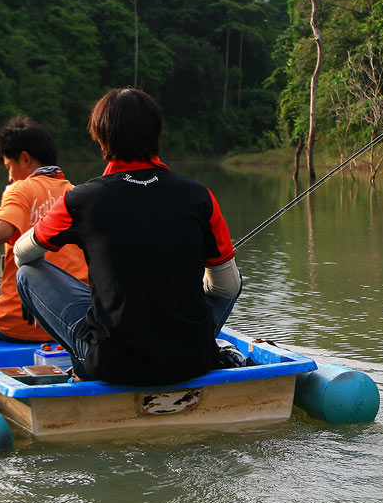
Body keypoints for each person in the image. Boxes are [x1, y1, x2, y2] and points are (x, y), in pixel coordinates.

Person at [13, 87, 241, 384]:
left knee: (27, 274)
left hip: (112, 364)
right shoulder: (200, 196)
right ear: (156, 133)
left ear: (100, 137)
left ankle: (81, 368)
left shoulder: (79, 199)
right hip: (193, 359)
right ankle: (202, 342)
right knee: (230, 277)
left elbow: (22, 255)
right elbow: (227, 287)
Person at [0, 116, 89, 342]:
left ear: (25, 159)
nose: (9, 176)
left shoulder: (21, 190)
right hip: (73, 326)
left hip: (20, 327)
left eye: (9, 167)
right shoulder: (75, 193)